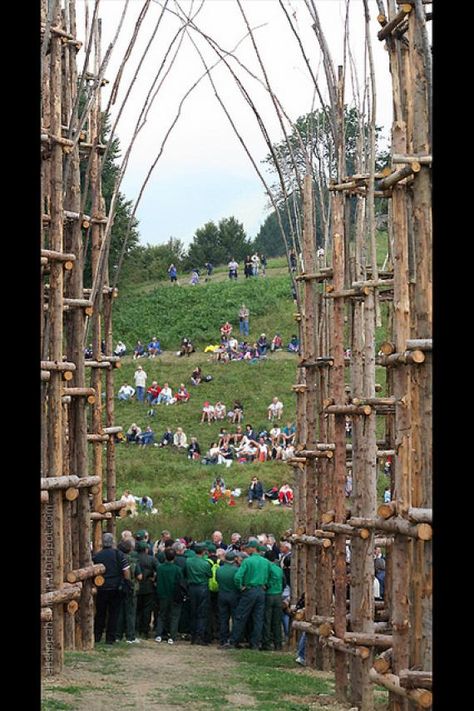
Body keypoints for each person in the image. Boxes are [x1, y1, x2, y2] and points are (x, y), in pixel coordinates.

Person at [226, 540, 271, 649]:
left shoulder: (247, 561)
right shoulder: (266, 562)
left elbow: (237, 577)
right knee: (258, 618)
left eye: (248, 548)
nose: (246, 550)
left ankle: (234, 641)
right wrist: (265, 584)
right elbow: (270, 575)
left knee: (240, 616)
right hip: (261, 591)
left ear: (253, 548)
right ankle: (255, 643)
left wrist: (241, 587)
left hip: (249, 590)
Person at [92, 533, 131, 645]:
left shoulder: (97, 556)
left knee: (100, 613)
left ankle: (97, 636)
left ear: (102, 542)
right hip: (116, 588)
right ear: (113, 542)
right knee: (114, 614)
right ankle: (110, 638)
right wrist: (126, 582)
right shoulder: (119, 554)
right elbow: (126, 570)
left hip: (102, 588)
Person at [154, 548, 184, 645]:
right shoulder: (177, 569)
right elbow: (181, 582)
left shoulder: (160, 568)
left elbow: (156, 579)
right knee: (174, 616)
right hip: (174, 595)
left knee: (162, 614)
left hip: (162, 594)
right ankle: (172, 636)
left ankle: (159, 634)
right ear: (174, 557)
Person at [184, 543, 212, 645]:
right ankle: (200, 636)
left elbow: (185, 573)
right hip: (202, 588)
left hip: (191, 588)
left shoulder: (188, 561)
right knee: (202, 613)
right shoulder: (205, 564)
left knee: (193, 612)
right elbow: (209, 575)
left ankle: (193, 635)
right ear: (203, 551)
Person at [261, 550, 284, 650]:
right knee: (277, 621)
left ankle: (266, 643)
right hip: (278, 595)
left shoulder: (267, 568)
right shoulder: (279, 569)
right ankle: (278, 643)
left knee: (267, 620)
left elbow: (265, 581)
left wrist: (266, 586)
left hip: (269, 595)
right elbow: (284, 582)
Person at [216, 551, 239, 648]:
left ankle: (223, 639)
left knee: (223, 618)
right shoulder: (236, 570)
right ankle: (234, 639)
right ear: (234, 559)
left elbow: (217, 580)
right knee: (235, 618)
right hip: (234, 595)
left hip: (222, 594)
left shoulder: (219, 570)